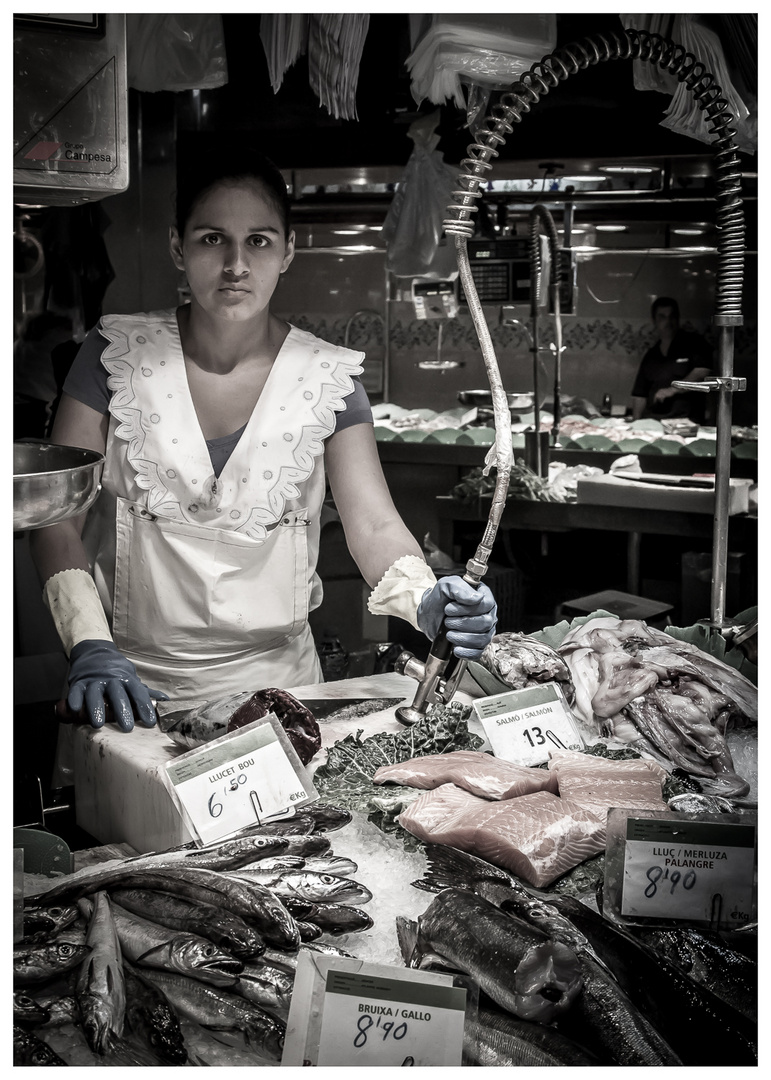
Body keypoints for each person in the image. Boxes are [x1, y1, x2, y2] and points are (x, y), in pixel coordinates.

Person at [29, 148, 497, 732]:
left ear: (288, 250)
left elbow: (373, 525)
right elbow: (56, 517)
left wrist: (424, 599)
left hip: (282, 699)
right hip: (126, 693)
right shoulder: (112, 355)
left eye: (258, 241)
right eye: (210, 239)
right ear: (178, 247)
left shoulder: (331, 379)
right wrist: (87, 644)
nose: (235, 264)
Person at [630, 297, 713, 422]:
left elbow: (703, 372)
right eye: (662, 317)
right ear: (654, 321)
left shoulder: (695, 343)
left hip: (686, 422)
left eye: (672, 316)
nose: (668, 321)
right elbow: (639, 395)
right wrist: (635, 425)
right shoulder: (651, 355)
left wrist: (673, 390)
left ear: (678, 318)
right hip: (654, 422)